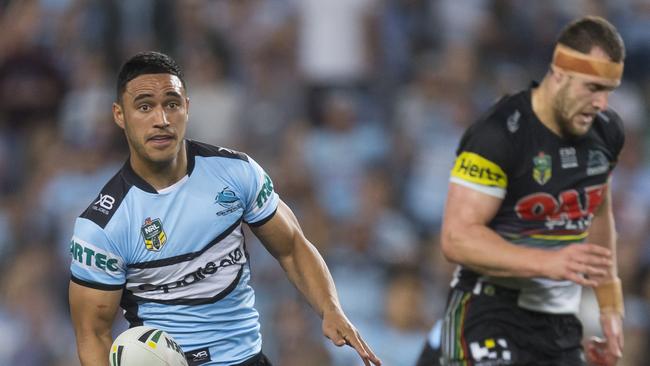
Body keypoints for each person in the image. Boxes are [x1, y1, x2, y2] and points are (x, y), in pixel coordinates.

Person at [68, 51, 382, 366]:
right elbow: (93, 335)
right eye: (145, 106)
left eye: (172, 104)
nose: (161, 120)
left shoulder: (236, 172)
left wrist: (330, 309)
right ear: (120, 115)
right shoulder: (102, 226)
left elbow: (292, 248)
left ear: (187, 108)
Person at [430, 16, 626, 366]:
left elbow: (597, 211)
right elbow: (456, 238)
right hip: (487, 312)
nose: (602, 104)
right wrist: (547, 262)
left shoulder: (606, 133)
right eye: (593, 88)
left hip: (560, 324)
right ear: (560, 73)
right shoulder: (498, 134)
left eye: (609, 90)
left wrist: (610, 305)